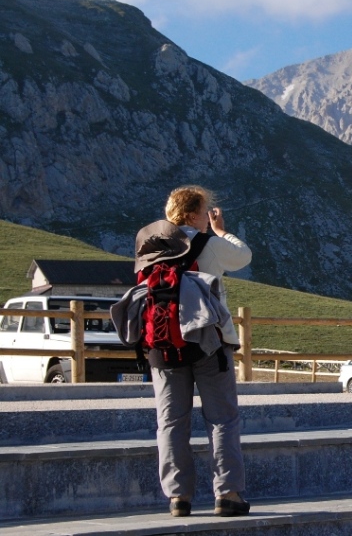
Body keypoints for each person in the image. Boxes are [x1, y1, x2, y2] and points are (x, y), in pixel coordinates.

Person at [136, 185, 252, 518]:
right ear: (192, 215)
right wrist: (220, 230)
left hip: (163, 346)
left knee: (171, 423)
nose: (207, 215)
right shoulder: (209, 244)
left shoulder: (149, 247)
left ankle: (178, 498)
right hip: (208, 344)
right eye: (205, 211)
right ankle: (227, 494)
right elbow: (243, 256)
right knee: (222, 420)